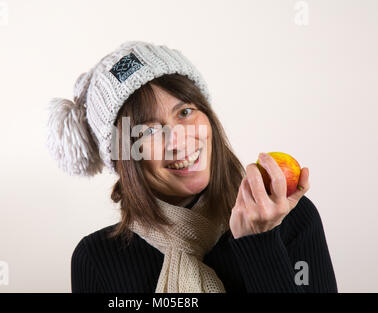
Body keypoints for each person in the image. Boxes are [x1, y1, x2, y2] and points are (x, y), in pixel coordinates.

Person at [46, 41, 337, 293]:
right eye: (147, 131)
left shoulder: (289, 218)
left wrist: (259, 242)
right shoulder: (97, 259)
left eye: (185, 112)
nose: (179, 140)